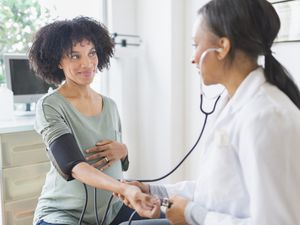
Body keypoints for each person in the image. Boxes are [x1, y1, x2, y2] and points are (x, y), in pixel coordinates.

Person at [118, 0, 300, 224]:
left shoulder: (266, 117)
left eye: (196, 45)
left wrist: (193, 215)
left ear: (223, 47)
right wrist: (152, 190)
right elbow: (216, 191)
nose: (193, 58)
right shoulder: (233, 102)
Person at [29, 17, 159, 225]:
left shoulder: (110, 105)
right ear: (58, 61)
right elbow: (73, 165)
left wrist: (124, 151)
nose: (86, 63)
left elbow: (120, 165)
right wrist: (125, 188)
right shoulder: (50, 105)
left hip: (113, 210)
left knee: (175, 219)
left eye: (91, 53)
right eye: (74, 56)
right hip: (63, 214)